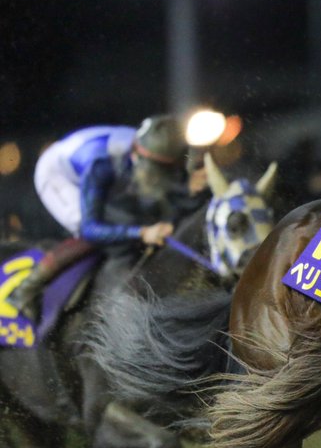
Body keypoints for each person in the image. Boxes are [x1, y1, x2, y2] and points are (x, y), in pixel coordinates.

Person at [8, 116, 191, 322]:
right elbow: (91, 228)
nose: (164, 177)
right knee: (93, 234)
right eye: (159, 171)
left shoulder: (151, 151)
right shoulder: (101, 163)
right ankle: (27, 289)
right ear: (139, 156)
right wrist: (143, 232)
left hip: (99, 171)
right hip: (58, 174)